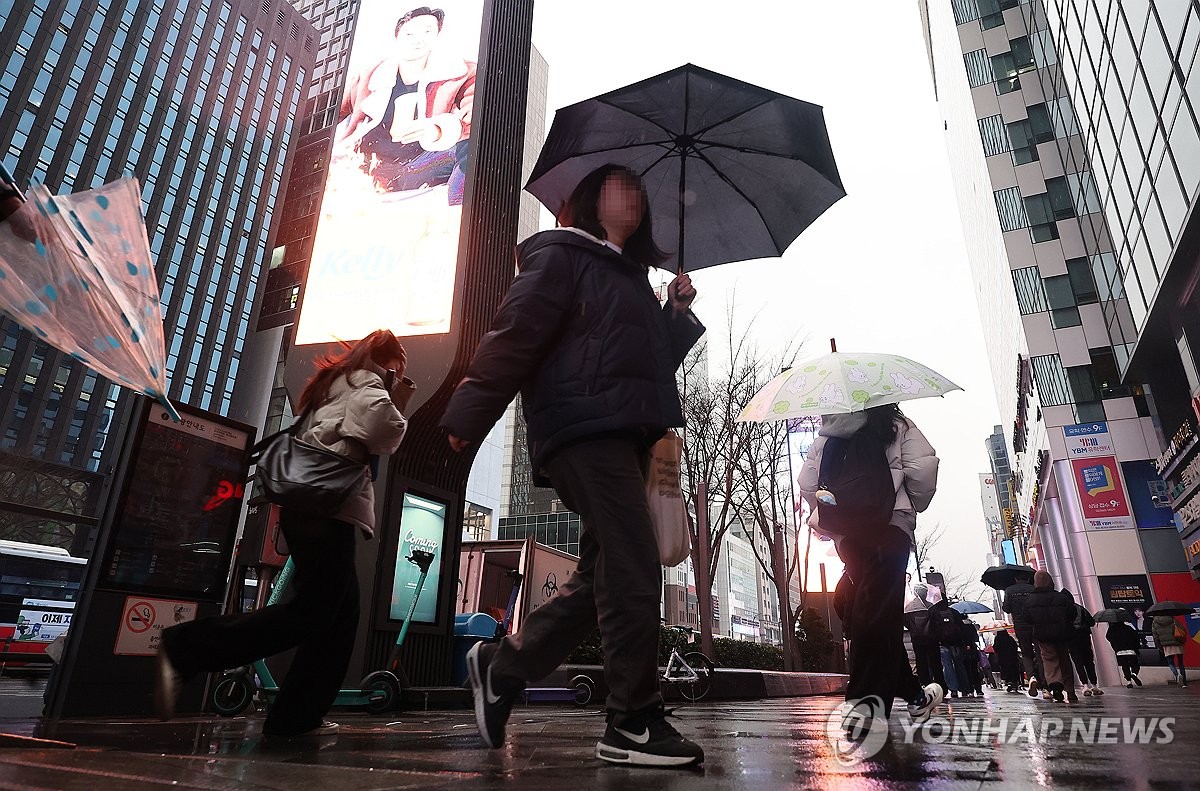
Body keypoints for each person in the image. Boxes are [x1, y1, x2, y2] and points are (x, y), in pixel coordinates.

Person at [439, 164, 705, 768]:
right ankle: (632, 721)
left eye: (640, 191)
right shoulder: (562, 255)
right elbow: (517, 331)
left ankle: (502, 667)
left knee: (605, 577)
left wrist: (677, 312)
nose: (634, 197)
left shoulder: (629, 277)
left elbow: (648, 366)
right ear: (588, 198)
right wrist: (468, 411)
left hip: (625, 435)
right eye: (622, 186)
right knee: (635, 564)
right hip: (585, 431)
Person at [155, 330, 414, 737]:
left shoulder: (335, 383)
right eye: (399, 368)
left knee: (339, 622)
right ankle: (186, 647)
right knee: (310, 615)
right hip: (326, 512)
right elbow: (386, 432)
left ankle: (297, 717)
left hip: (313, 510)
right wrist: (396, 392)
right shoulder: (366, 383)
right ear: (389, 362)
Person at [798, 403, 942, 724]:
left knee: (876, 609)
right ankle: (864, 705)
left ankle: (914, 695)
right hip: (890, 527)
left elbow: (808, 483)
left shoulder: (829, 432)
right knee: (876, 610)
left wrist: (833, 514)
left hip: (848, 533)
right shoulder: (898, 424)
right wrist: (910, 500)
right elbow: (922, 472)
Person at [335, 6, 474, 204]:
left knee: (471, 148)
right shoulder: (369, 76)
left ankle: (457, 215)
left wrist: (439, 129)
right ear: (398, 37)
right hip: (366, 168)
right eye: (410, 33)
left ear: (437, 36)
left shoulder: (460, 73)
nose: (418, 39)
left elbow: (474, 117)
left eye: (428, 31)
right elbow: (329, 113)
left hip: (417, 167)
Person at [1022, 570, 1078, 703]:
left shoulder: (1030, 599)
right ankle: (1070, 690)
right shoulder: (1060, 597)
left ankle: (1055, 685)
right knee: (1064, 660)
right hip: (1061, 633)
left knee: (1049, 660)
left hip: (1043, 635)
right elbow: (1072, 613)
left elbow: (1027, 618)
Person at [1002, 571, 1044, 697]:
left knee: (1026, 653)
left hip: (1020, 625)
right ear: (1027, 579)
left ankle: (1031, 677)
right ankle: (1045, 683)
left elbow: (1006, 609)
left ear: (1015, 579)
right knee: (1040, 652)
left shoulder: (1009, 590)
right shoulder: (1033, 589)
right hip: (1035, 624)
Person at [903, 582, 946, 695]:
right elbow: (938, 622)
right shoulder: (931, 606)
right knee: (935, 664)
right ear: (925, 593)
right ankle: (941, 687)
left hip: (917, 639)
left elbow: (906, 623)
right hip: (932, 639)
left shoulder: (908, 608)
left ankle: (924, 685)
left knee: (921, 663)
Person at [1063, 589, 1102, 696]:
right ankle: (1094, 684)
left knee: (1078, 662)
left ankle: (1085, 685)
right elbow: (1091, 622)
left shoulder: (1063, 611)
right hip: (1084, 638)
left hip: (1071, 640)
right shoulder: (1081, 609)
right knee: (1089, 662)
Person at [1151, 614, 1189, 688]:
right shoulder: (1173, 619)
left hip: (1166, 645)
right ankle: (1184, 683)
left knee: (1171, 663)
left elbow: (1155, 637)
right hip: (1177, 643)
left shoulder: (1155, 623)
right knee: (1180, 663)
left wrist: (1159, 647)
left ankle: (1177, 675)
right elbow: (1182, 629)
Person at [1105, 620, 1143, 688]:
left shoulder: (1111, 629)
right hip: (1131, 650)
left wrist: (1115, 645)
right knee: (1135, 664)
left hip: (1119, 651)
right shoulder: (1128, 628)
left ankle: (1129, 682)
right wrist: (1136, 646)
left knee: (1125, 666)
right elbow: (1136, 637)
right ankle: (1134, 674)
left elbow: (1108, 637)